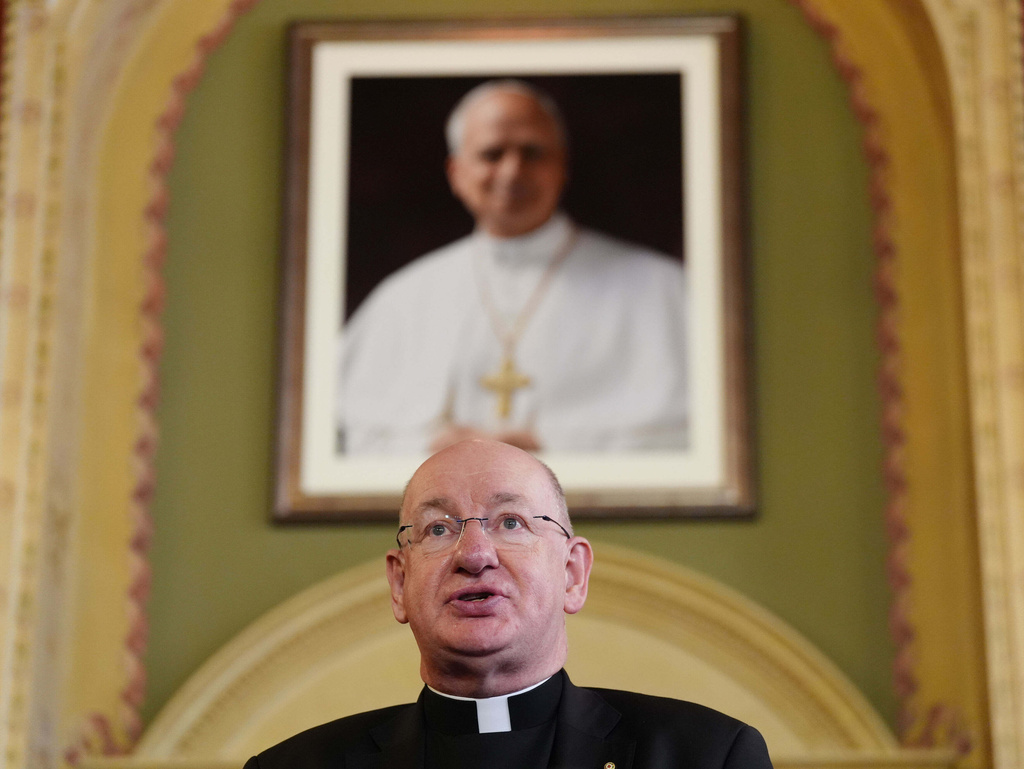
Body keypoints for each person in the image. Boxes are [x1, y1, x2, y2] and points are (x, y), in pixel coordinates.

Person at [244, 439, 773, 768]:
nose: (474, 555)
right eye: (438, 528)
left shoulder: (705, 756)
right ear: (399, 583)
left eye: (511, 523)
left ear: (573, 573)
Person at [337, 80, 689, 456]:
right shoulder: (403, 298)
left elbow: (692, 437)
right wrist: (433, 447)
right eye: (491, 154)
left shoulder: (661, 288)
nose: (512, 171)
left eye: (532, 153)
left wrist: (549, 446)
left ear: (561, 167)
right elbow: (347, 438)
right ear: (456, 173)